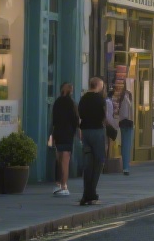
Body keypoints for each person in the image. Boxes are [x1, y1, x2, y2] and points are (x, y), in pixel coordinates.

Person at [78, 78, 110, 206]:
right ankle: (92, 193)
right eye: (102, 85)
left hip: (85, 132)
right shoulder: (100, 100)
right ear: (97, 85)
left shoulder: (83, 99)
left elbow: (80, 114)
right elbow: (104, 117)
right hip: (97, 131)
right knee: (99, 161)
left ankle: (86, 194)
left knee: (88, 163)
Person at [50, 82, 79, 197]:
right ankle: (64, 185)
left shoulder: (57, 102)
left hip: (58, 133)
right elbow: (75, 120)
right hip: (67, 134)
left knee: (59, 158)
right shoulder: (71, 103)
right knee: (65, 161)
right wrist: (77, 131)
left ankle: (58, 183)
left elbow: (54, 120)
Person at [116, 88, 135, 176]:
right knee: (127, 145)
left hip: (123, 124)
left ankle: (125, 166)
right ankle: (126, 167)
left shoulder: (122, 101)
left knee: (125, 145)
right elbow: (126, 114)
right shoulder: (126, 100)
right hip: (127, 124)